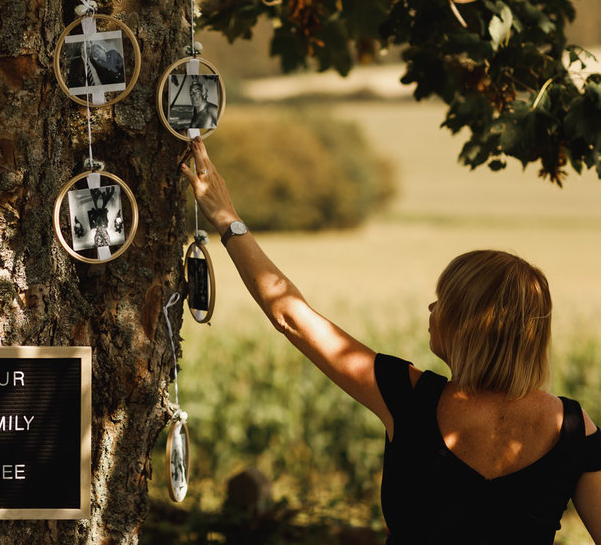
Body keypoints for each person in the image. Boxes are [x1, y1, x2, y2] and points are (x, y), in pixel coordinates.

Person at [179, 137, 600, 545]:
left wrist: (227, 220)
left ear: (471, 323)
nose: (432, 309)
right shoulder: (574, 428)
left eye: (444, 301)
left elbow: (290, 317)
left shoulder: (407, 395)